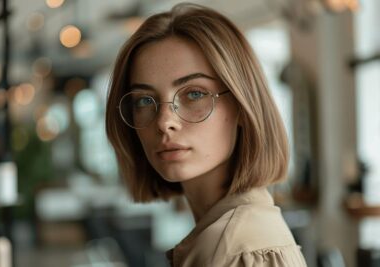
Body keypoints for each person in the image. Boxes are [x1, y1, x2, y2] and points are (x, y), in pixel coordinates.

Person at [105, 3, 307, 267]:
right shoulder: (225, 240)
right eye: (144, 101)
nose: (165, 122)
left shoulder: (238, 252)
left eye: (195, 94)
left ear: (243, 108)